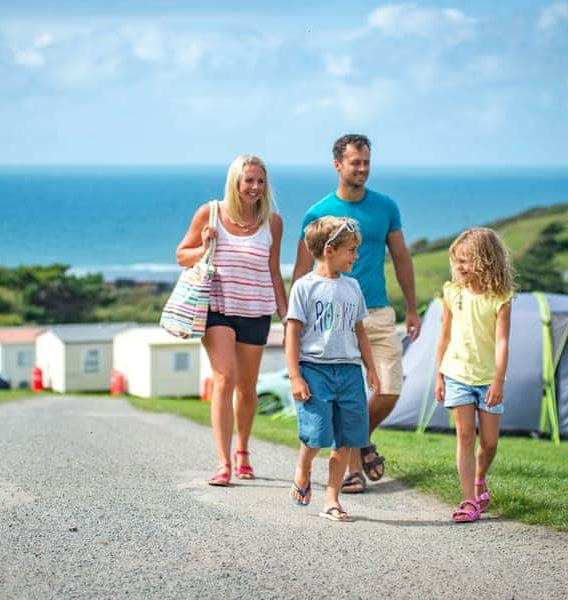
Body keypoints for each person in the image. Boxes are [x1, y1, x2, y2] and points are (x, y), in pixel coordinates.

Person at [291, 133, 420, 494]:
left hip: (377, 313)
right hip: (331, 321)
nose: (362, 169)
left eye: (366, 162)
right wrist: (296, 324)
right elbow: (302, 272)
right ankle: (351, 465)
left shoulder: (386, 207)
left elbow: (402, 259)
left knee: (390, 389)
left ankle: (360, 442)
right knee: (339, 399)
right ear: (338, 165)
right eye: (355, 163)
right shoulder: (317, 213)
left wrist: (411, 308)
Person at [176, 154, 288, 486]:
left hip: (256, 310)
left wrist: (287, 314)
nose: (255, 187)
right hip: (217, 309)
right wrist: (205, 246)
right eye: (248, 180)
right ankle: (223, 463)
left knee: (248, 389)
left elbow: (273, 270)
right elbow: (182, 254)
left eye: (260, 181)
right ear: (235, 182)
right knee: (224, 378)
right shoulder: (209, 213)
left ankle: (242, 451)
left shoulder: (273, 222)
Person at [286, 216, 381, 521]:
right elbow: (293, 333)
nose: (356, 256)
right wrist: (296, 376)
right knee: (317, 434)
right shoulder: (304, 287)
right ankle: (303, 467)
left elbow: (360, 332)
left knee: (348, 438)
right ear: (329, 250)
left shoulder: (353, 287)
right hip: (315, 370)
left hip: (350, 372)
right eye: (351, 250)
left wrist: (371, 369)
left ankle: (331, 498)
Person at [433, 227, 515, 523]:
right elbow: (443, 336)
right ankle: (468, 500)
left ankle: (480, 478)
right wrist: (439, 375)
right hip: (456, 374)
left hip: (487, 380)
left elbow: (503, 342)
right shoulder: (452, 293)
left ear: (486, 260)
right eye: (456, 262)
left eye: (465, 262)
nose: (459, 268)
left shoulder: (501, 298)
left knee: (490, 442)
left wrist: (498, 380)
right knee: (465, 436)